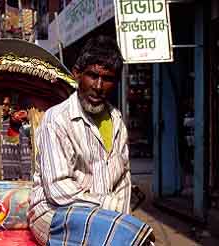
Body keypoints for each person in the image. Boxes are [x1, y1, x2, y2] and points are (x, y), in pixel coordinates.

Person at [28, 36, 154, 245]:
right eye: (92, 75)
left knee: (141, 240)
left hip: (102, 217)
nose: (98, 86)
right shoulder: (57, 119)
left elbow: (123, 181)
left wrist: (121, 218)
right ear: (77, 74)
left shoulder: (117, 121)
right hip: (55, 214)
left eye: (107, 79)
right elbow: (58, 189)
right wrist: (107, 206)